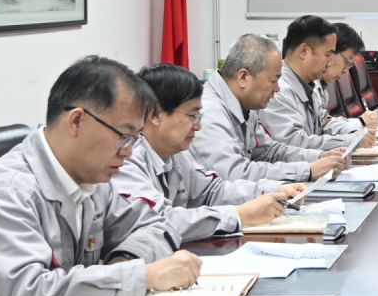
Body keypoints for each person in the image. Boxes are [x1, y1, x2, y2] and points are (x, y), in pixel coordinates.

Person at [0, 56, 203, 296]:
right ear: (77, 121)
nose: (129, 151)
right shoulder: (4, 195)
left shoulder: (91, 177)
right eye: (123, 135)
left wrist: (124, 260)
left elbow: (158, 225)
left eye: (134, 139)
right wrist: (139, 276)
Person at [116, 63, 305, 240]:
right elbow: (160, 221)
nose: (198, 126)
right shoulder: (126, 160)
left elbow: (213, 191)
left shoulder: (176, 155)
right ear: (155, 115)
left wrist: (274, 189)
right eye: (192, 116)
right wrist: (240, 215)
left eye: (199, 116)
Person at [196, 34, 347, 182]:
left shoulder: (245, 103)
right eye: (273, 80)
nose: (277, 88)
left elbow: (268, 151)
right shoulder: (210, 114)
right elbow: (235, 174)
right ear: (243, 77)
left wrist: (317, 157)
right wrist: (306, 171)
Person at [262, 14, 374, 151]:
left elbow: (323, 124)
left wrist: (357, 129)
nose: (329, 63)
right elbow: (295, 144)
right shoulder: (278, 92)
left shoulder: (312, 86)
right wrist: (351, 140)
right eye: (327, 55)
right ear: (304, 52)